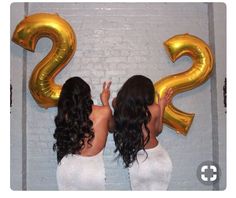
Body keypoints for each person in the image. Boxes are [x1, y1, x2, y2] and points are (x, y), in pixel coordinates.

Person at [113, 75, 173, 190]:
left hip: (140, 160)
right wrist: (162, 106)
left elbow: (116, 102)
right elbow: (158, 130)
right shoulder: (154, 108)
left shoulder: (120, 106)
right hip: (159, 156)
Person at [53, 77, 112, 190]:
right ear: (87, 94)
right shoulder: (104, 112)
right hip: (91, 171)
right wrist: (105, 101)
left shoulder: (66, 115)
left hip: (67, 169)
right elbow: (113, 127)